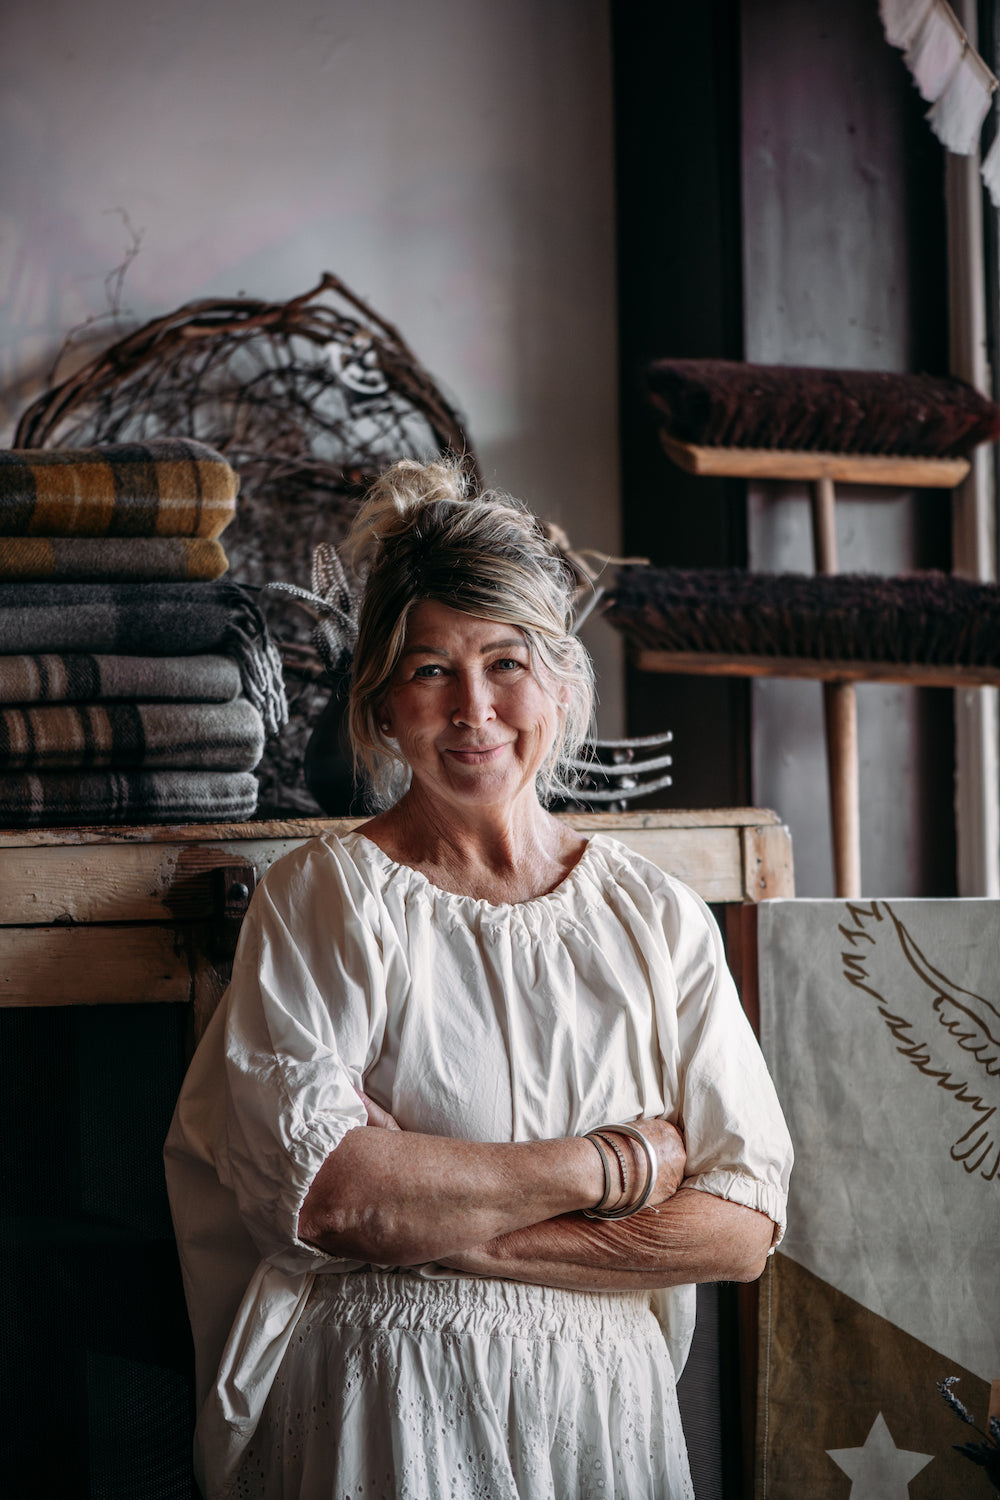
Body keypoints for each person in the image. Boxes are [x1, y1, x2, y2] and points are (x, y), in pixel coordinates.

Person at [165, 458, 793, 1500]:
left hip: (600, 1414)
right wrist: (617, 1165)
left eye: (505, 662)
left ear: (561, 682)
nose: (473, 708)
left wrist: (438, 1223)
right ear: (381, 701)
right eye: (429, 670)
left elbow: (740, 1229)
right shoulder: (325, 898)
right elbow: (333, 1198)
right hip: (386, 1399)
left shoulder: (655, 916)